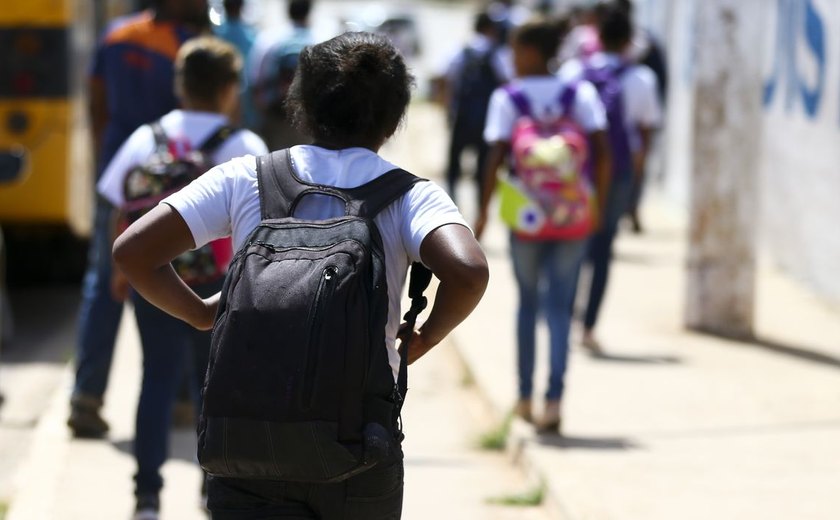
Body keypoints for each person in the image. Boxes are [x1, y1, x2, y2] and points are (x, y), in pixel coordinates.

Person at [112, 32, 488, 519]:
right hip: (357, 452)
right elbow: (469, 270)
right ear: (395, 118)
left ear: (300, 103)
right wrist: (425, 336)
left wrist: (204, 314)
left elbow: (133, 251)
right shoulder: (410, 196)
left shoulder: (245, 177)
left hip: (245, 451)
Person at [97, 37, 268, 519]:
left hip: (154, 282)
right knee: (213, 389)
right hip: (219, 287)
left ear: (180, 85)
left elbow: (120, 208)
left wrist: (120, 272)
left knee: (155, 379)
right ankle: (212, 490)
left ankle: (146, 496)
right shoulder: (243, 146)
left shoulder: (145, 137)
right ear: (230, 88)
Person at [69, 0, 209, 439]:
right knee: (183, 277)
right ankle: (182, 399)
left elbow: (96, 107)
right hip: (168, 186)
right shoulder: (186, 45)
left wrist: (106, 165)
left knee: (103, 283)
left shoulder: (115, 35)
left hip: (117, 178)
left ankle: (86, 396)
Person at [475, 20, 609, 432]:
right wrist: (598, 206)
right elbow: (602, 153)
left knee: (527, 303)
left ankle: (524, 397)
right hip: (572, 214)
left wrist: (482, 212)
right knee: (560, 307)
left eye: (516, 52)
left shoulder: (508, 98)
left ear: (532, 52)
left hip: (526, 216)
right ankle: (555, 399)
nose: (512, 60)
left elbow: (495, 158)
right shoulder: (579, 93)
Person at [558, 6, 661, 352]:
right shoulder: (643, 78)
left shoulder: (574, 72)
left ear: (597, 37)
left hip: (575, 170)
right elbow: (645, 134)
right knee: (603, 248)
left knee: (572, 242)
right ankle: (588, 326)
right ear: (629, 41)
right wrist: (636, 177)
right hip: (618, 172)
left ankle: (566, 315)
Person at [443, 11, 510, 208]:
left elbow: (446, 77)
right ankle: (481, 208)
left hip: (462, 115)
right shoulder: (497, 52)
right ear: (491, 28)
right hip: (486, 119)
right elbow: (507, 81)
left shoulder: (460, 50)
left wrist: (448, 107)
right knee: (483, 166)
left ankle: (451, 206)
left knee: (454, 163)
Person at [249, 0, 314, 149]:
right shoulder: (317, 40)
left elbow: (255, 78)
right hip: (303, 118)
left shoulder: (269, 39)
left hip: (274, 114)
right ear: (309, 12)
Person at [213, 0, 258, 128]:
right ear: (241, 7)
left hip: (219, 98)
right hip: (246, 102)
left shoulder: (215, 33)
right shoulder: (251, 35)